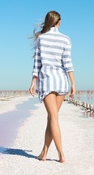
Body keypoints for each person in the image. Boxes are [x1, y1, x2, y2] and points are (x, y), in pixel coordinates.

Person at [29, 10, 76, 163]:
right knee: (52, 118)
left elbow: (37, 63)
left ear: (48, 21)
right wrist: (73, 83)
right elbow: (67, 63)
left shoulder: (41, 39)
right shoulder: (66, 39)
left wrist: (33, 82)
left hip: (47, 81)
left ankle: (61, 154)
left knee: (53, 117)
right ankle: (44, 152)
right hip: (62, 81)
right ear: (59, 22)